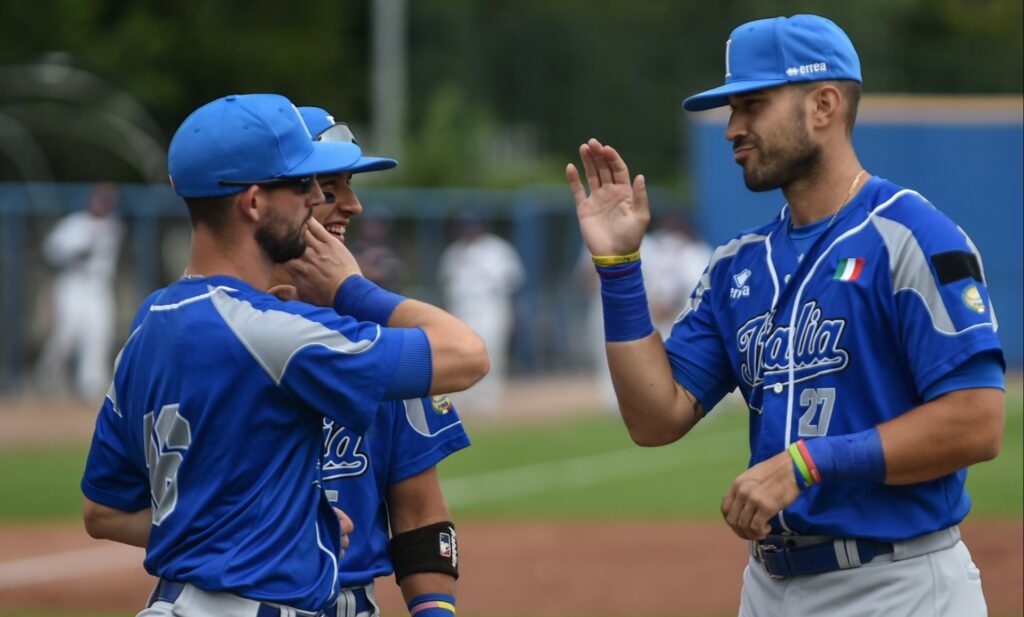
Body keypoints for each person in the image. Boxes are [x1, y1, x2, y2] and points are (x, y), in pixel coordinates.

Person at [566, 14, 1004, 617]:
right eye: (732, 109)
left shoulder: (910, 235)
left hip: (898, 584)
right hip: (769, 586)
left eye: (752, 105)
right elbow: (655, 418)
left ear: (823, 105)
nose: (732, 129)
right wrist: (618, 267)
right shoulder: (736, 265)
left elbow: (978, 421)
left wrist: (809, 463)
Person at [80, 94, 488, 617]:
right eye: (315, 185)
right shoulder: (281, 331)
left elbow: (421, 511)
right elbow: (467, 354)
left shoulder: (156, 322)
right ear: (255, 201)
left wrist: (283, 529)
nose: (345, 203)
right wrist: (355, 290)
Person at [288, 106, 467, 617]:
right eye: (330, 188)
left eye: (349, 186)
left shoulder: (383, 345)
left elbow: (420, 512)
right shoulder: (209, 329)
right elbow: (112, 507)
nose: (353, 205)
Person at [35, 182, 124, 401]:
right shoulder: (74, 223)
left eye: (107, 201)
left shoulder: (114, 227)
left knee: (99, 334)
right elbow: (51, 250)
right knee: (66, 333)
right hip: (74, 283)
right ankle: (46, 376)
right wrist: (72, 253)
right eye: (100, 199)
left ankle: (91, 386)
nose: (102, 204)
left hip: (99, 286)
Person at [437, 215, 524, 415]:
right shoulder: (454, 251)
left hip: (490, 306)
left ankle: (487, 398)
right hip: (461, 307)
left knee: (491, 350)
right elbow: (446, 282)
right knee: (460, 352)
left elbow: (512, 280)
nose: (469, 231)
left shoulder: (497, 249)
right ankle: (464, 396)